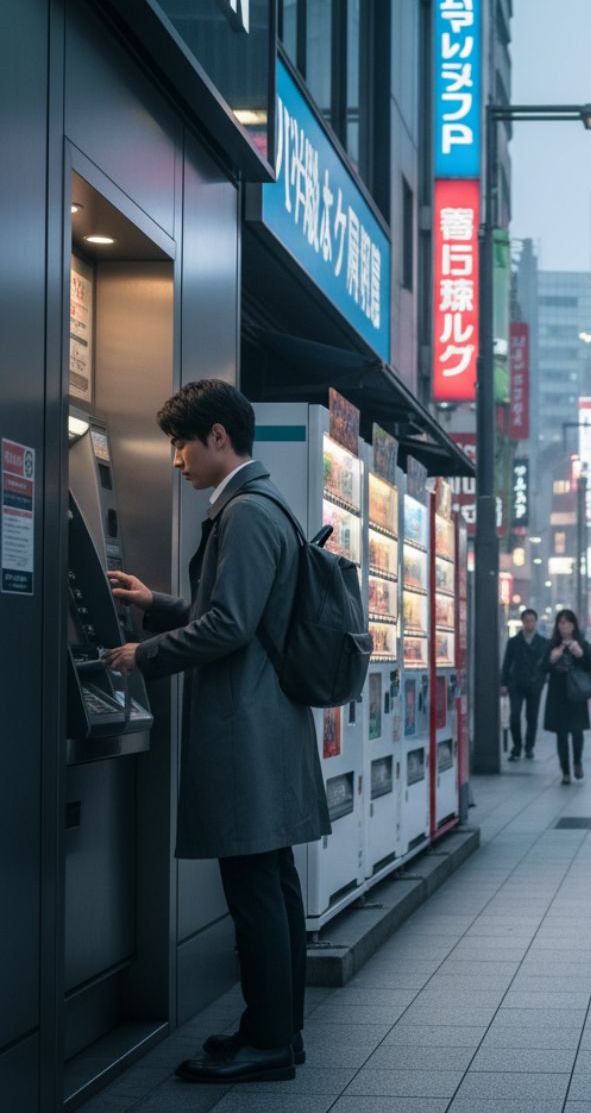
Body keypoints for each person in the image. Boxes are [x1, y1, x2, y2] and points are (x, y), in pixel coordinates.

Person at [104, 380, 329, 1084]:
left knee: (256, 891)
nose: (177, 459)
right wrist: (159, 605)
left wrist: (144, 655)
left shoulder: (248, 512)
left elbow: (230, 626)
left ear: (219, 438)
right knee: (272, 885)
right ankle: (276, 1029)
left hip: (245, 731)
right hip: (262, 725)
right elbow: (233, 612)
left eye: (181, 443)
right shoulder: (256, 505)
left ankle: (268, 1039)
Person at [540, 608, 591, 785]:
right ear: (557, 625)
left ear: (574, 625)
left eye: (569, 622)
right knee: (561, 734)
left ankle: (577, 762)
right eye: (562, 622)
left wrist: (580, 654)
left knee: (577, 732)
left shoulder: (582, 643)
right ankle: (565, 771)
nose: (565, 626)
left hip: (577, 694)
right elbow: (542, 668)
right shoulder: (552, 645)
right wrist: (551, 659)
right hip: (558, 694)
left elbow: (590, 666)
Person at [500, 608, 547, 761]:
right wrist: (504, 683)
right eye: (527, 621)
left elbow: (546, 665)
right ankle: (517, 746)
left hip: (535, 685)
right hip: (516, 684)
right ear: (523, 622)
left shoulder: (543, 642)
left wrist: (542, 679)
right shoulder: (514, 642)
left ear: (536, 622)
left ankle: (529, 747)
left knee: (531, 717)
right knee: (515, 716)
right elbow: (507, 663)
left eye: (532, 621)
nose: (529, 624)